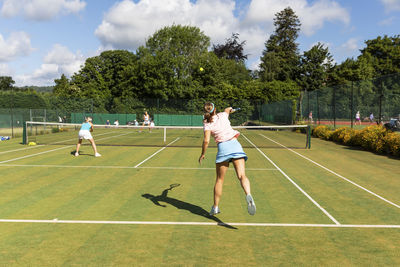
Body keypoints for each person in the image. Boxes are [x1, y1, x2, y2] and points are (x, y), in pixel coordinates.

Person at [198, 102, 256, 216]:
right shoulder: (223, 115)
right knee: (242, 176)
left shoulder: (207, 123)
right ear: (215, 109)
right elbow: (227, 109)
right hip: (235, 145)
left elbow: (206, 141)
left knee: (220, 180)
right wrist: (230, 110)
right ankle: (248, 194)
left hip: (223, 148)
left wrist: (202, 154)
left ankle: (215, 207)